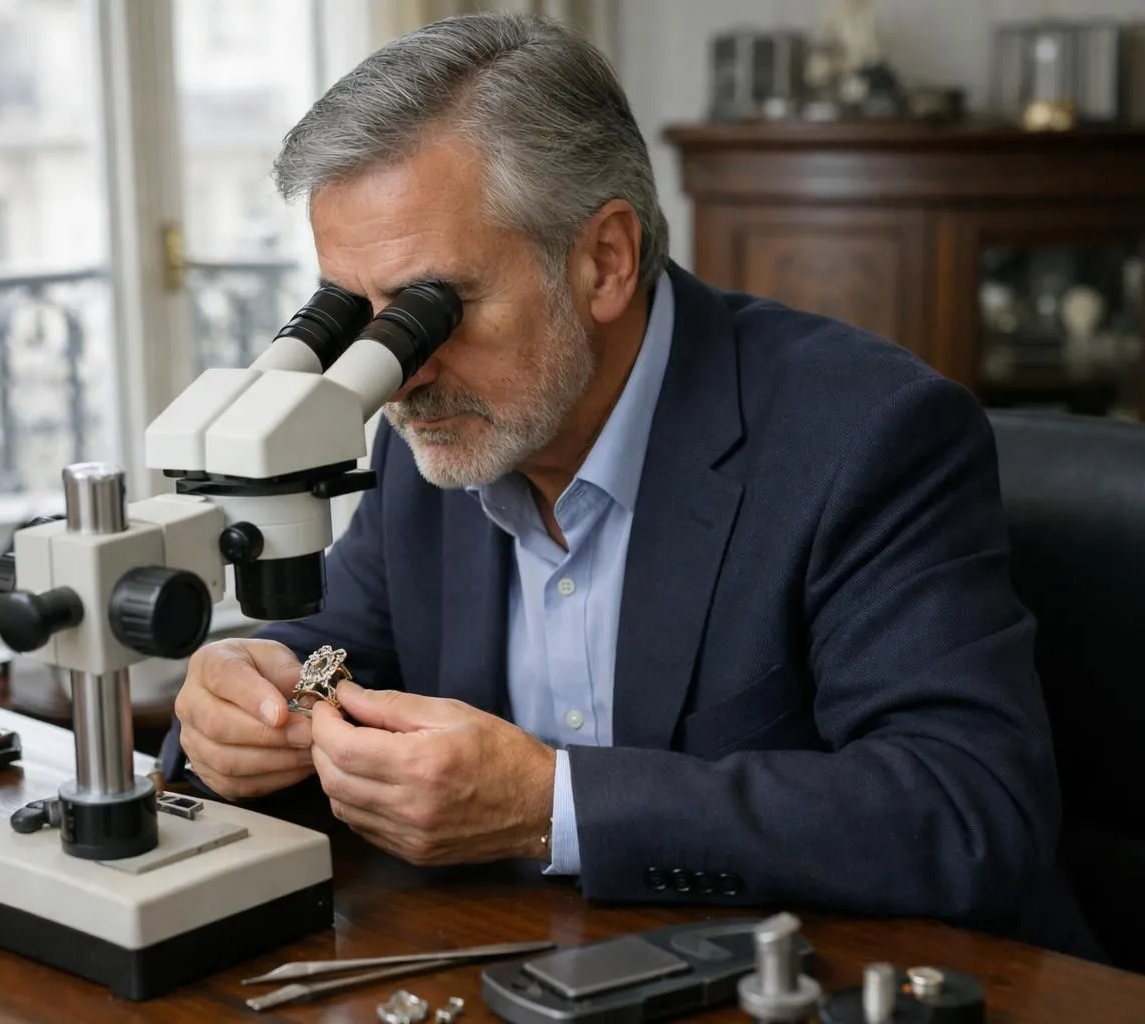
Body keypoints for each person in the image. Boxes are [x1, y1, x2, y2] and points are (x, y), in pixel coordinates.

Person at [160, 12, 1098, 958]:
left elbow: (970, 808)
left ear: (604, 260)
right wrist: (242, 698)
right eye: (355, 319)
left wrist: (551, 807)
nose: (395, 374)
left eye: (426, 311)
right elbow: (342, 648)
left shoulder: (868, 435)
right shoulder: (439, 428)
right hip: (540, 972)